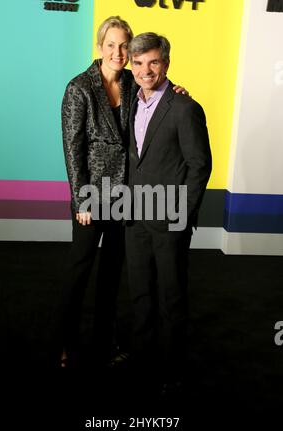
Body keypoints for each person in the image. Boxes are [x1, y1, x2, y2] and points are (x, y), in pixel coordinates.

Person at [60, 17, 188, 368]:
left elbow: (156, 91)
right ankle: (66, 342)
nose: (118, 52)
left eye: (123, 46)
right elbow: (73, 148)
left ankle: (105, 341)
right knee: (80, 270)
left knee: (112, 274)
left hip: (125, 197)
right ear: (100, 47)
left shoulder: (133, 82)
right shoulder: (79, 87)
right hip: (93, 195)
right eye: (111, 45)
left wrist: (176, 90)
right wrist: (81, 198)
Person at [125, 32, 212, 393]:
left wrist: (184, 214)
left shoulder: (184, 108)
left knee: (171, 298)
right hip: (135, 218)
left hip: (169, 219)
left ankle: (172, 371)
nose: (146, 70)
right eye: (139, 62)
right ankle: (142, 360)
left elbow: (199, 165)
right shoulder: (131, 100)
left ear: (166, 63)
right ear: (131, 65)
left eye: (153, 62)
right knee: (140, 294)